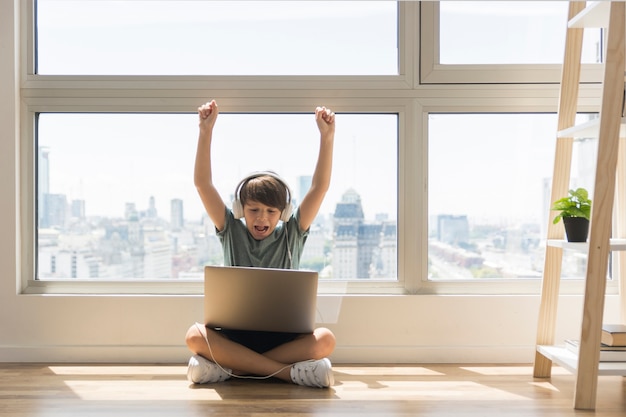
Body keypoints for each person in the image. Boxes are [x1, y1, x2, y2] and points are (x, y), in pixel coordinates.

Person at [185, 100, 337, 388]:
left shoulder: (292, 234)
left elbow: (320, 188)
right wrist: (205, 131)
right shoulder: (231, 230)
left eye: (270, 211)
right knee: (194, 335)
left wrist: (326, 138)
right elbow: (203, 185)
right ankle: (284, 373)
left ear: (283, 214)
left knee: (326, 339)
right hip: (235, 332)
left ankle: (231, 368)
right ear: (241, 210)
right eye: (253, 210)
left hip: (283, 336)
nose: (262, 218)